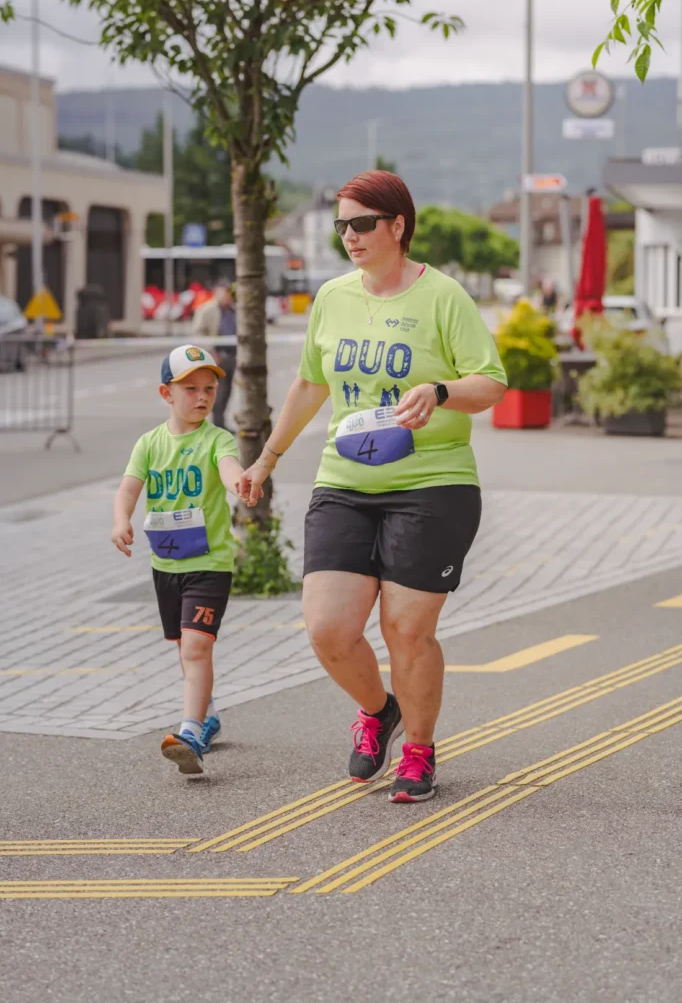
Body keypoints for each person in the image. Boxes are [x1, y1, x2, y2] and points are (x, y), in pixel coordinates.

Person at [238, 170, 507, 804]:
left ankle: (418, 749)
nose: (350, 236)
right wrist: (265, 460)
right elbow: (310, 384)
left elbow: (490, 383)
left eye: (362, 224)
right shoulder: (332, 298)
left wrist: (439, 391)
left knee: (405, 628)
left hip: (432, 482)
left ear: (398, 226)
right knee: (328, 629)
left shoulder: (443, 297)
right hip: (346, 481)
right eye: (342, 226)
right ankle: (377, 709)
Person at [111, 344, 258, 776]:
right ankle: (208, 714)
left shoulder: (217, 438)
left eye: (209, 388)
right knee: (185, 648)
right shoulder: (150, 444)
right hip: (166, 565)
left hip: (209, 565)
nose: (201, 397)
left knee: (197, 646)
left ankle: (191, 731)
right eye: (190, 388)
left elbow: (230, 468)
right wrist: (120, 520)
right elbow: (128, 489)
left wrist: (240, 484)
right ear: (165, 394)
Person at [192, 281, 237, 429]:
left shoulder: (233, 310)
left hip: (232, 355)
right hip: (216, 356)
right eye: (224, 293)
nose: (227, 297)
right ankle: (217, 425)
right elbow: (198, 334)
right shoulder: (207, 310)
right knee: (219, 391)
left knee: (227, 391)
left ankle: (220, 422)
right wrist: (210, 352)